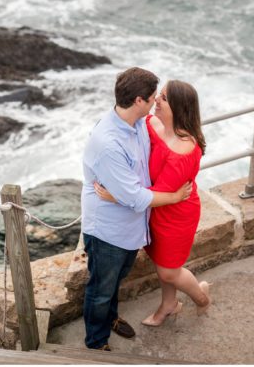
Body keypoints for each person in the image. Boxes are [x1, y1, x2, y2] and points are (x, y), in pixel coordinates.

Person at [81, 68, 192, 351]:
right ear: (139, 100)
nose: (157, 101)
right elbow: (136, 198)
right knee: (100, 290)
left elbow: (133, 190)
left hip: (130, 225)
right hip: (108, 230)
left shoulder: (139, 122)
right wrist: (176, 196)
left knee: (115, 280)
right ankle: (96, 342)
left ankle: (111, 318)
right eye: (154, 97)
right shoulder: (108, 143)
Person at [95, 79, 211, 328]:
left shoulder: (185, 149)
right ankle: (169, 305)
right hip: (153, 209)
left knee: (169, 270)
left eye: (165, 98)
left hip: (175, 214)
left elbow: (161, 193)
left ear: (179, 108)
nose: (156, 99)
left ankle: (202, 298)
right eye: (160, 94)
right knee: (162, 264)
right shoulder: (151, 123)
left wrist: (116, 195)